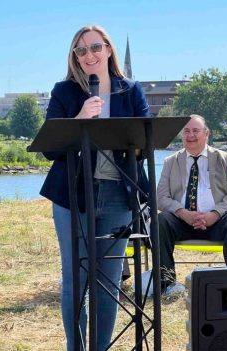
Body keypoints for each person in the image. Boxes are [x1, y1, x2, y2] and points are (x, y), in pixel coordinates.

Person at [40, 25, 150, 350]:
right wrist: (78, 119)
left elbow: (144, 140)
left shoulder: (130, 90)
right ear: (75, 57)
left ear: (109, 49)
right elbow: (50, 149)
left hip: (118, 194)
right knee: (75, 280)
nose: (90, 55)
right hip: (72, 195)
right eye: (82, 50)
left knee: (108, 282)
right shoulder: (64, 92)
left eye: (95, 47)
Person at [157, 115, 227, 293]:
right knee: (161, 221)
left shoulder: (225, 159)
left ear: (206, 133)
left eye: (195, 131)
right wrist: (183, 213)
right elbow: (161, 197)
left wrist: (215, 214)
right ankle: (167, 283)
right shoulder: (170, 162)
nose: (190, 135)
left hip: (216, 221)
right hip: (181, 221)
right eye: (186, 131)